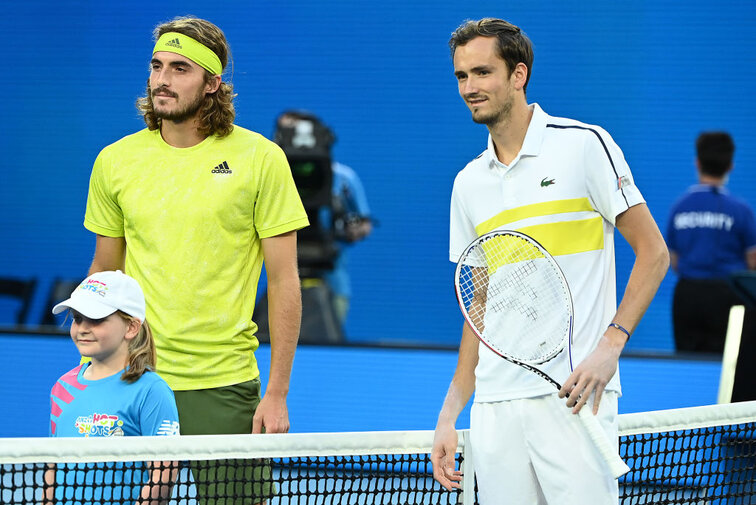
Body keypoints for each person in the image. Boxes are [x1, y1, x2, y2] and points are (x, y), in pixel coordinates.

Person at [430, 18, 669, 504]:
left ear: (518, 74)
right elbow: (479, 310)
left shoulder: (584, 146)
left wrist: (610, 347)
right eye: (461, 77)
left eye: (482, 72)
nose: (470, 88)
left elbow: (654, 253)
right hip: (496, 403)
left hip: (575, 397)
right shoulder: (468, 183)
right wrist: (451, 409)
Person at [82, 16, 308, 503]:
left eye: (180, 68)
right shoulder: (115, 161)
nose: (162, 79)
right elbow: (104, 273)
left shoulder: (261, 159)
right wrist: (94, 370)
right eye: (156, 66)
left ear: (212, 84)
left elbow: (286, 281)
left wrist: (277, 392)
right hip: (135, 378)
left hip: (224, 383)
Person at [46, 270, 179, 505]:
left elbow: (163, 475)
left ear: (131, 328)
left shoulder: (152, 391)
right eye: (77, 318)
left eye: (96, 319)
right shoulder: (62, 387)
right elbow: (52, 465)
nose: (83, 328)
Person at [275, 111, 373, 324]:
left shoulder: (345, 179)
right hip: (283, 282)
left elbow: (365, 223)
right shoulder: (272, 177)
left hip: (333, 281)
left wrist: (351, 230)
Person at [667, 132, 756, 353]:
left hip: (687, 295)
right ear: (730, 166)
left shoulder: (680, 208)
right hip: (729, 296)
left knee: (686, 364)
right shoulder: (741, 211)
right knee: (731, 364)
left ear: (697, 162)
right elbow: (753, 261)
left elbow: (674, 261)